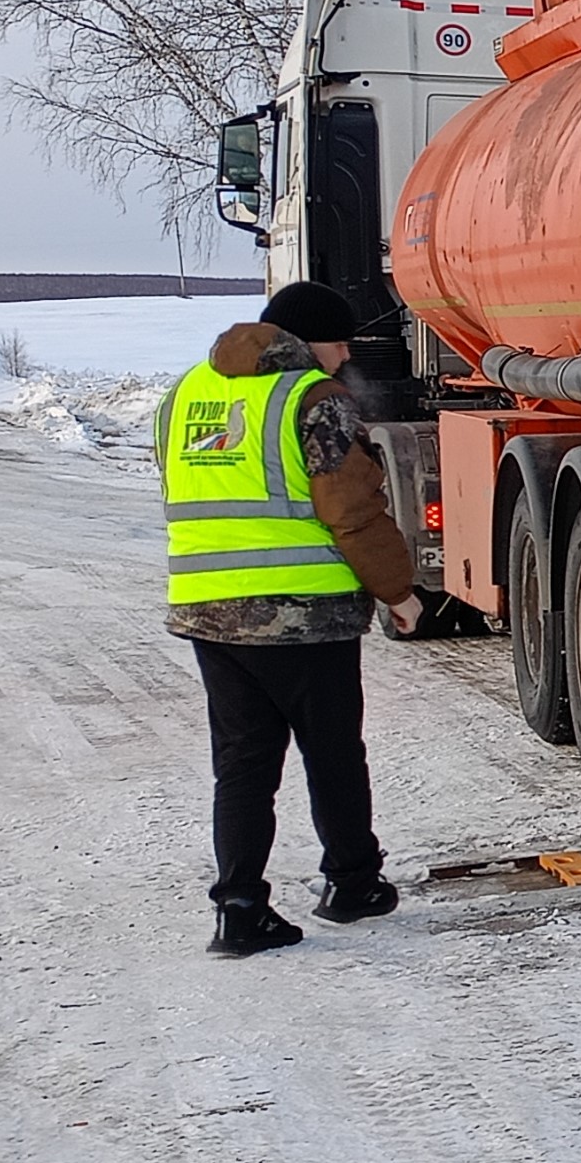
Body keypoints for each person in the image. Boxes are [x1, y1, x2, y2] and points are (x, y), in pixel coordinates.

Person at [157, 281, 422, 955]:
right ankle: (352, 881)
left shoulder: (186, 393)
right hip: (305, 613)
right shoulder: (312, 398)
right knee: (332, 754)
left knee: (242, 765)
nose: (344, 358)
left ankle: (240, 908)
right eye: (340, 343)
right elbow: (351, 510)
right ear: (309, 341)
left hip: (210, 613)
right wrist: (398, 590)